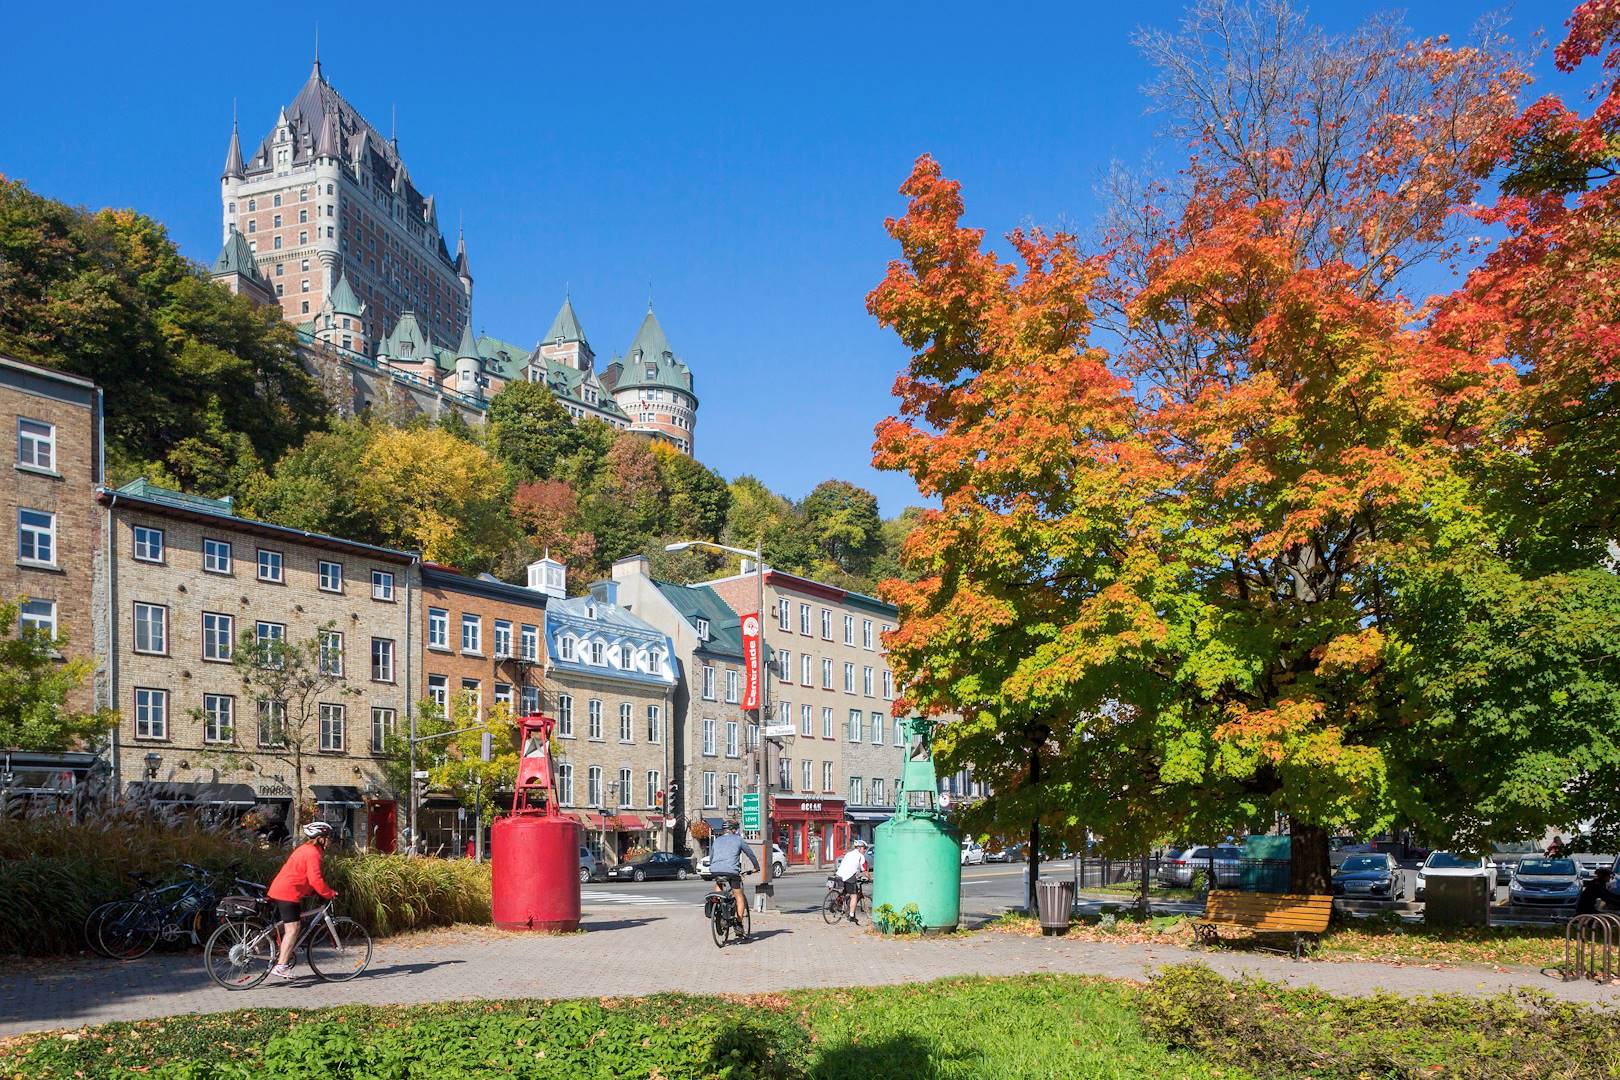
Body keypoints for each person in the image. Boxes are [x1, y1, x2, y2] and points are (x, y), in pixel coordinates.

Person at [266, 820, 338, 979]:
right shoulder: (313, 853)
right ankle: (281, 966)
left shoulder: (305, 849)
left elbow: (302, 874)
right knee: (293, 928)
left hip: (282, 889)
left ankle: (260, 943)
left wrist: (312, 892)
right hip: (288, 892)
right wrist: (329, 893)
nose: (331, 840)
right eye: (329, 837)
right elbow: (315, 879)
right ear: (320, 838)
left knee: (287, 925)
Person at [708, 820, 759, 928]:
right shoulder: (739, 840)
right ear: (734, 830)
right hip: (731, 871)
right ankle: (739, 924)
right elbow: (750, 854)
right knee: (739, 896)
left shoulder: (716, 840)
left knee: (719, 883)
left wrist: (714, 867)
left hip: (715, 870)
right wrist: (756, 867)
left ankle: (718, 904)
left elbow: (711, 857)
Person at [834, 839, 869, 922]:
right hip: (849, 876)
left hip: (839, 875)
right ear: (860, 848)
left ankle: (837, 904)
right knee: (854, 896)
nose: (865, 850)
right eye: (864, 848)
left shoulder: (848, 854)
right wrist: (870, 878)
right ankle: (851, 916)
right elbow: (864, 870)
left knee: (844, 892)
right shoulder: (861, 856)